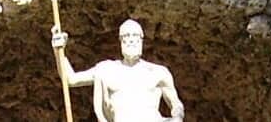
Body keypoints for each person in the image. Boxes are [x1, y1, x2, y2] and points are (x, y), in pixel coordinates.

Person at [51, 19, 184, 122]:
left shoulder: (158, 72)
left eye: (135, 36)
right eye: (126, 36)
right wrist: (58, 51)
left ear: (141, 40)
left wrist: (177, 117)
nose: (131, 40)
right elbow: (71, 79)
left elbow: (176, 104)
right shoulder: (107, 70)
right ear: (121, 41)